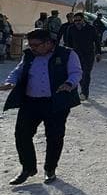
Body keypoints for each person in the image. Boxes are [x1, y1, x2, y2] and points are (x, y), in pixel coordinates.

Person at [1, 28, 82, 185]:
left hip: (56, 103)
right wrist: (10, 82)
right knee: (22, 135)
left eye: (36, 45)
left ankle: (50, 169)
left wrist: (68, 83)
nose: (32, 48)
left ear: (48, 43)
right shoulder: (29, 55)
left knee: (54, 137)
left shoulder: (67, 54)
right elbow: (18, 71)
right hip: (31, 102)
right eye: (30, 45)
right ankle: (28, 168)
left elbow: (76, 72)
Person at [63, 12, 102, 100]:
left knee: (86, 73)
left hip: (89, 55)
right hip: (76, 55)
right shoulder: (71, 28)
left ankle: (84, 92)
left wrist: (98, 53)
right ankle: (83, 90)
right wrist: (68, 53)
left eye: (79, 20)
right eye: (75, 20)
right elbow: (68, 42)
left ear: (83, 19)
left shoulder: (91, 28)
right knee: (79, 73)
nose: (77, 22)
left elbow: (97, 41)